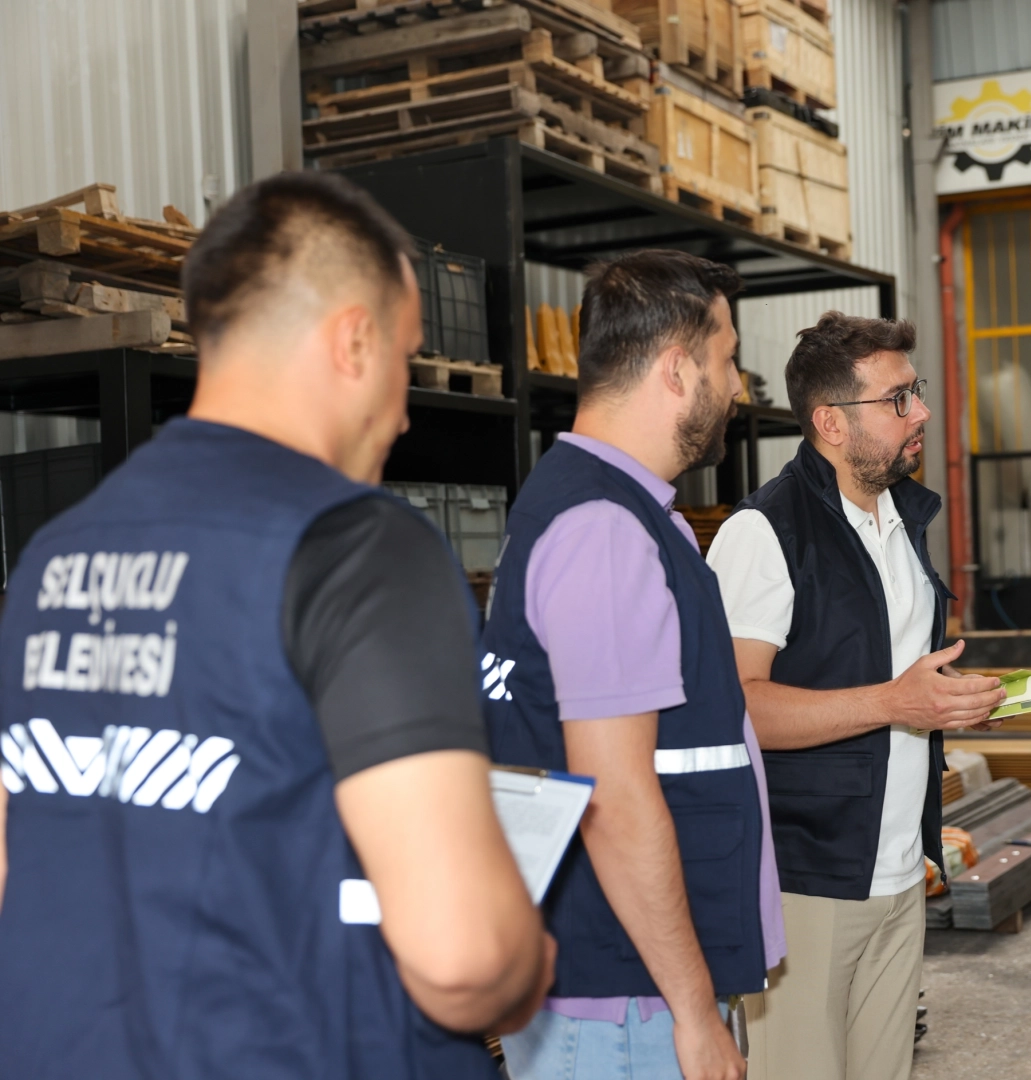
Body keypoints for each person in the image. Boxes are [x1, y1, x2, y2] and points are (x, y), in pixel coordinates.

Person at [0, 172, 553, 1078]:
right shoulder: (360, 548)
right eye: (405, 360)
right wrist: (523, 958)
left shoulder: (52, 560)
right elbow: (461, 960)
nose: (404, 413)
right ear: (354, 340)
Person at [482, 249, 779, 1080]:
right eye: (727, 360)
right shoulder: (605, 531)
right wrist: (694, 1009)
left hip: (619, 991)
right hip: (625, 1007)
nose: (737, 388)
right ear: (677, 370)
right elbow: (612, 795)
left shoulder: (602, 507)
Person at [706, 312, 1005, 1080]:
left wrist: (947, 700)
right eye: (898, 399)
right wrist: (894, 705)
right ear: (831, 422)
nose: (921, 412)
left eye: (917, 390)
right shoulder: (765, 533)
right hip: (805, 880)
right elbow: (735, 707)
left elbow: (887, 673)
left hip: (900, 871)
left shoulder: (902, 519)